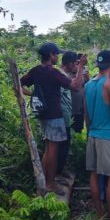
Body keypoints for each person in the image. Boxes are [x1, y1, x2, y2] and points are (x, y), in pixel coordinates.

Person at [21, 42, 87, 193]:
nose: (57, 57)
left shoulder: (36, 71)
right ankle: (50, 183)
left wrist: (33, 95)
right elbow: (75, 85)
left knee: (48, 148)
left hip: (43, 114)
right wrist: (81, 66)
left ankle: (45, 180)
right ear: (51, 55)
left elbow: (19, 84)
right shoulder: (54, 72)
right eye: (56, 54)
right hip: (54, 115)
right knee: (53, 149)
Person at [84, 50, 110, 220]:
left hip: (93, 134)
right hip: (108, 135)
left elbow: (86, 115)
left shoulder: (88, 85)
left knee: (94, 174)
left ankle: (100, 213)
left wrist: (90, 131)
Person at [55, 51, 85, 176]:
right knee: (61, 147)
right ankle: (56, 174)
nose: (76, 66)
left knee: (62, 147)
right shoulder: (61, 75)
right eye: (75, 63)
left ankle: (58, 172)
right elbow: (76, 86)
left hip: (63, 117)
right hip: (61, 117)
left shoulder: (61, 74)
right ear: (70, 64)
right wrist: (81, 66)